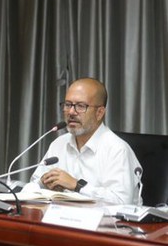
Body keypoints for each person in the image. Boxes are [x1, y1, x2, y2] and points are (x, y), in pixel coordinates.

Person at [28, 77, 142, 205]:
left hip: (108, 223)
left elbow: (121, 202)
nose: (71, 112)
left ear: (99, 113)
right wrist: (42, 183)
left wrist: (77, 186)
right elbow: (32, 186)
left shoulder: (117, 149)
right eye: (68, 104)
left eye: (81, 106)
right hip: (62, 219)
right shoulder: (58, 144)